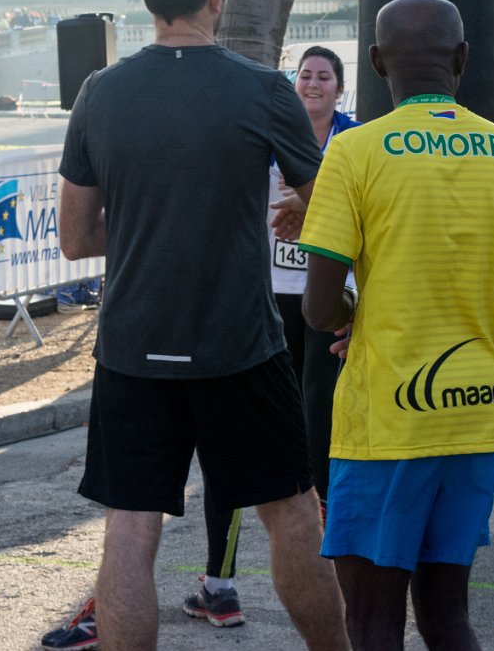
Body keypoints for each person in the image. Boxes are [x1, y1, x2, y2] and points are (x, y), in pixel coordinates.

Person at [51, 0, 349, 651]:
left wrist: (153, 223)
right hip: (239, 343)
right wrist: (289, 209)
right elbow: (332, 207)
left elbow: (76, 237)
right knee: (292, 513)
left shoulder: (99, 92)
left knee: (130, 529)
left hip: (134, 346)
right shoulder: (263, 88)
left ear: (148, 0)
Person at [299, 0, 494, 651]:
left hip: (386, 421)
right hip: (475, 413)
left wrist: (363, 317)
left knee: (373, 622)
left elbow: (319, 307)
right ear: (462, 59)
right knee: (448, 619)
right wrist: (464, 319)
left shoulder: (354, 152)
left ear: (376, 62)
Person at [180, 45, 360, 632]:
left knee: (318, 435)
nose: (313, 84)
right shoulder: (261, 134)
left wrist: (316, 218)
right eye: (305, 75)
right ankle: (219, 583)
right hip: (262, 302)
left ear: (339, 89)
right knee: (233, 441)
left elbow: (369, 218)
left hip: (329, 302)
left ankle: (340, 577)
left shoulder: (353, 141)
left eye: (324, 76)